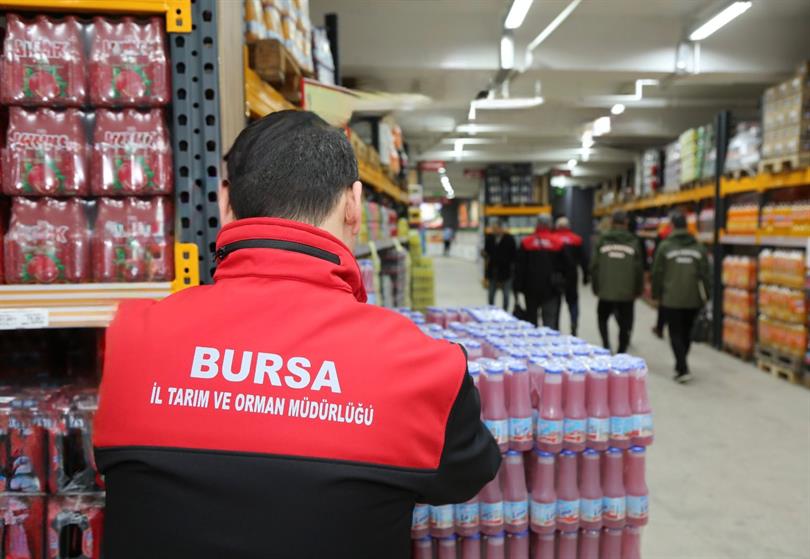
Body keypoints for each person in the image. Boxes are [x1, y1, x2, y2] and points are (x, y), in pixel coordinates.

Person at [93, 111, 501, 559]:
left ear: (225, 203)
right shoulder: (424, 367)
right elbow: (469, 474)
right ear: (354, 205)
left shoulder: (128, 340)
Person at [652, 211, 711, 383]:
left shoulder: (665, 247)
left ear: (672, 226)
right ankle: (681, 363)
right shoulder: (698, 248)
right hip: (693, 298)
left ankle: (682, 366)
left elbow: (657, 272)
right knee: (686, 332)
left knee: (675, 332)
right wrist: (706, 295)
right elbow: (706, 274)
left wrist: (656, 293)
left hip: (671, 298)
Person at [591, 210, 644, 353]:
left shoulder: (602, 240)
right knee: (625, 322)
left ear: (612, 223)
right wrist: (638, 289)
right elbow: (638, 269)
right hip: (627, 291)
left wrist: (596, 287)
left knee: (602, 317)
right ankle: (621, 351)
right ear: (626, 223)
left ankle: (606, 345)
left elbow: (594, 266)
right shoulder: (633, 241)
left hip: (606, 289)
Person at [514, 214, 565, 328]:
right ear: (550, 225)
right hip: (551, 289)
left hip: (530, 289)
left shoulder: (526, 242)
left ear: (537, 224)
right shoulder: (558, 242)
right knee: (550, 321)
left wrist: (517, 288)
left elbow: (519, 267)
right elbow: (567, 267)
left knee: (531, 321)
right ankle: (550, 343)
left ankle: (533, 342)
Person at [554, 216, 589, 336]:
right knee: (573, 302)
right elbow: (584, 259)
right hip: (572, 276)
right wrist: (585, 275)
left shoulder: (553, 239)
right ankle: (574, 325)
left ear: (557, 227)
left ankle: (555, 328)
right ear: (568, 226)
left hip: (556, 277)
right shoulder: (577, 239)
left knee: (555, 303)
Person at [483, 218, 517, 310]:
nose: (494, 230)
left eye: (495, 228)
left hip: (506, 272)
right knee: (491, 294)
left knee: (506, 295)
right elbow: (487, 253)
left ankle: (504, 312)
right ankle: (491, 311)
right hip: (493, 270)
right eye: (492, 228)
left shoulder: (509, 239)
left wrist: (513, 269)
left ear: (501, 228)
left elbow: (514, 255)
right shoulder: (489, 238)